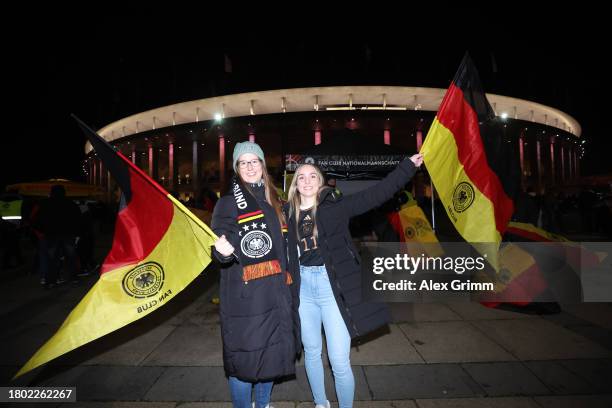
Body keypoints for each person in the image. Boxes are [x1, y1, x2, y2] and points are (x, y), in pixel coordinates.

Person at [285, 153, 423, 408]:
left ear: (321, 182)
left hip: (332, 288)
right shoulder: (287, 213)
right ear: (295, 183)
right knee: (312, 354)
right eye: (301, 177)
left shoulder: (334, 207)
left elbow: (375, 194)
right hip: (303, 290)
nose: (306, 181)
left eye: (312, 176)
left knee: (338, 360)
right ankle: (320, 403)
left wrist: (406, 168)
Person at [211, 141, 299, 408]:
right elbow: (219, 245)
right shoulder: (228, 203)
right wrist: (222, 251)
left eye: (254, 161)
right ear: (237, 168)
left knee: (271, 357)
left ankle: (262, 405)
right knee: (246, 360)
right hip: (247, 298)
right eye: (243, 162)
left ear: (263, 165)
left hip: (276, 293)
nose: (250, 167)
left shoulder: (276, 200)